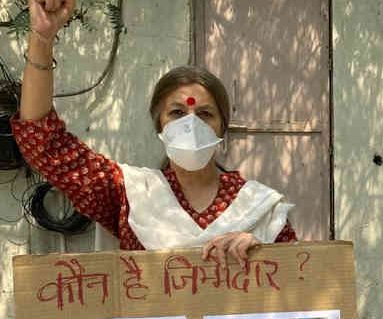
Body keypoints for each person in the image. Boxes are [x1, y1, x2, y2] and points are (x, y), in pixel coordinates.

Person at [12, 0, 296, 264]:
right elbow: (45, 142)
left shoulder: (259, 207)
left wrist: (262, 252)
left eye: (205, 114)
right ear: (159, 124)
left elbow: (300, 281)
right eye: (177, 113)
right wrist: (42, 40)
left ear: (222, 126)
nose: (191, 124)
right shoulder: (130, 195)